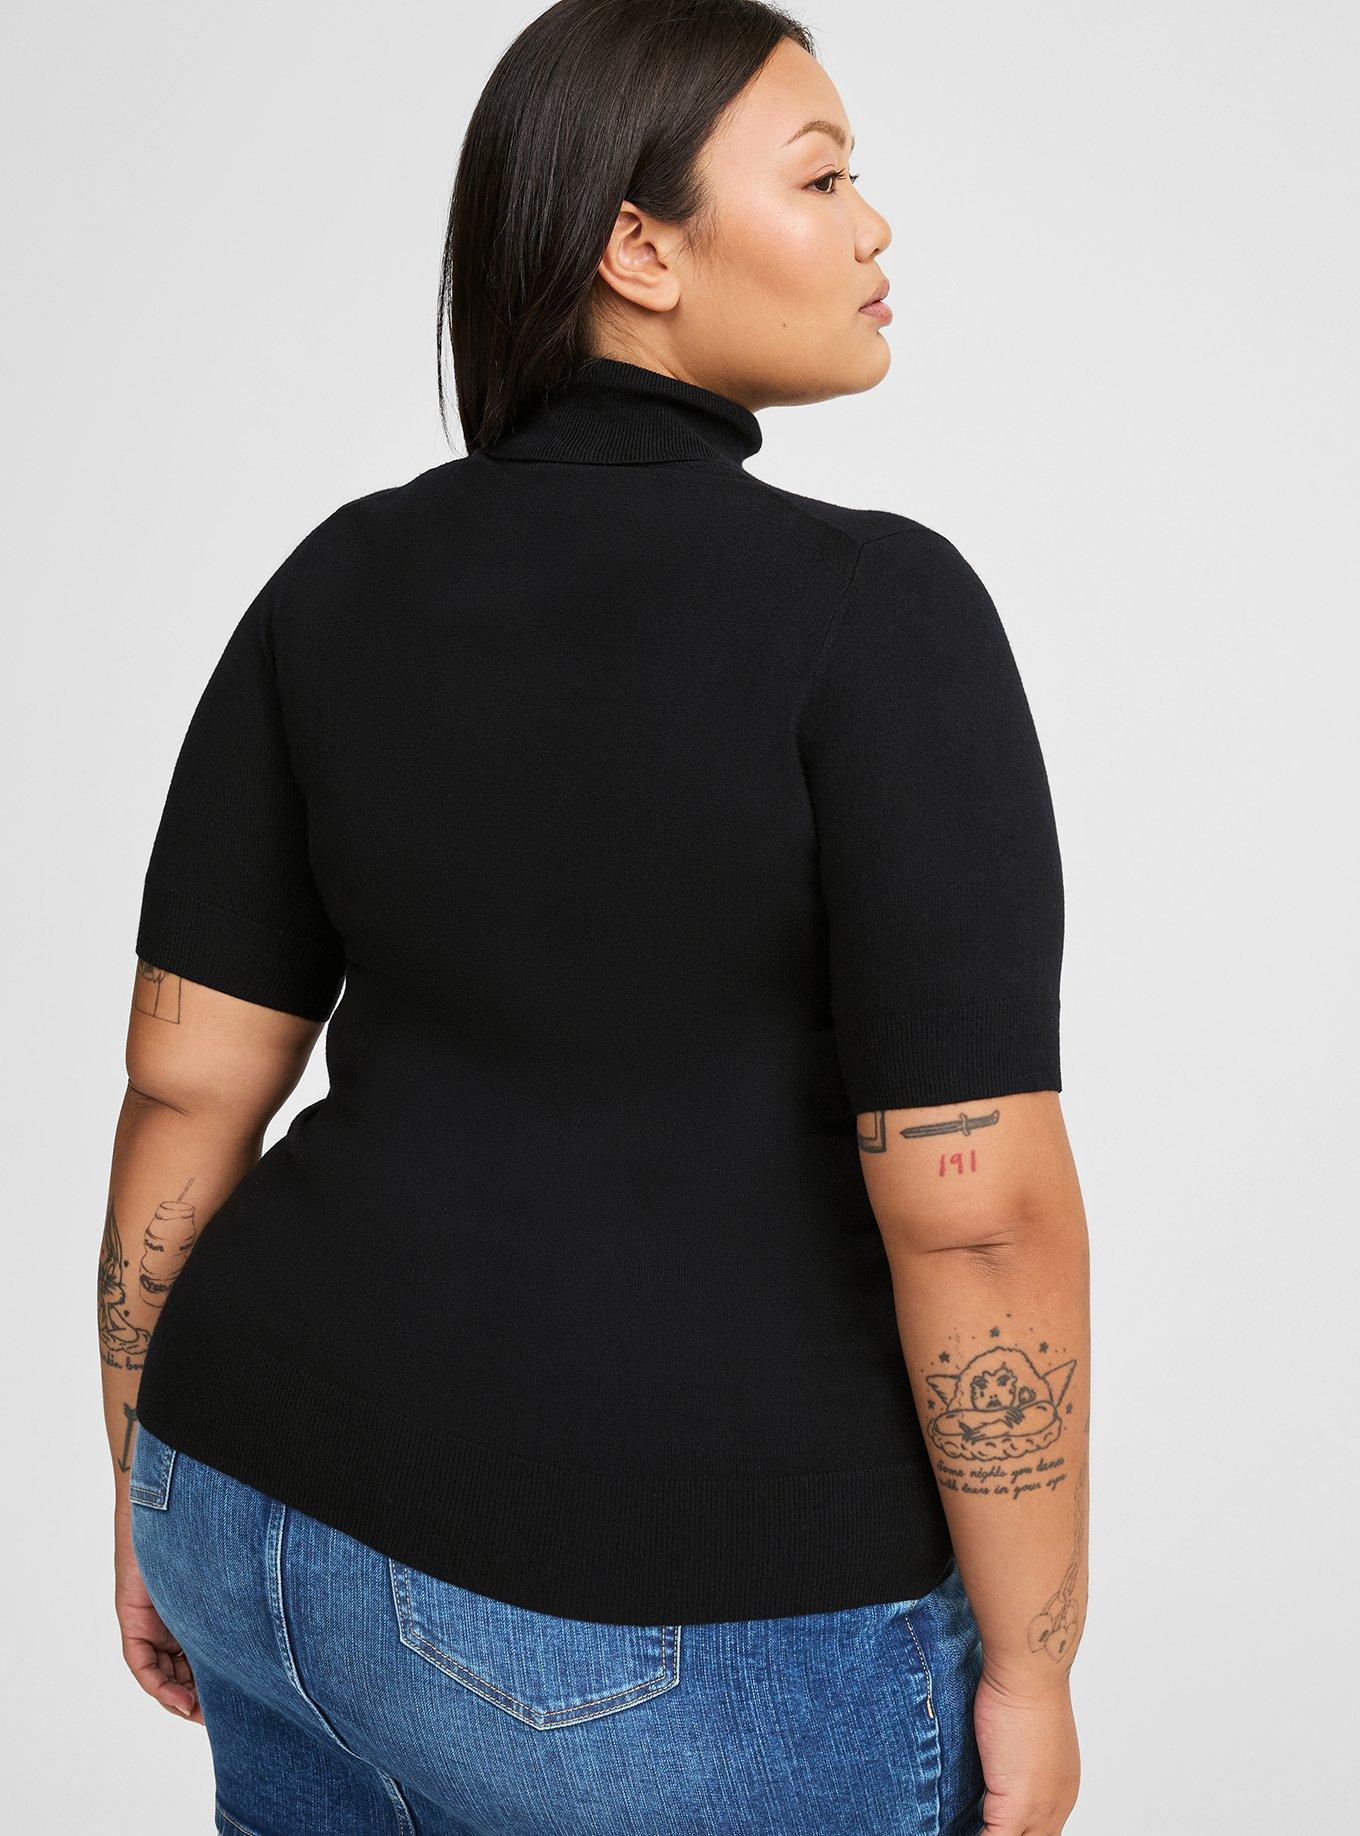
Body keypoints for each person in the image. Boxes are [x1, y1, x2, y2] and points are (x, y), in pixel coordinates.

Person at [103, 3, 1089, 1832]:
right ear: (639, 246)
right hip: (663, 1616)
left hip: (250, 1493)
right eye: (824, 176)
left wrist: (146, 1493)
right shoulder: (874, 612)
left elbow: (183, 1088)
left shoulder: (340, 576)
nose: (874, 225)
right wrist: (1032, 1662)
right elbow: (975, 1209)